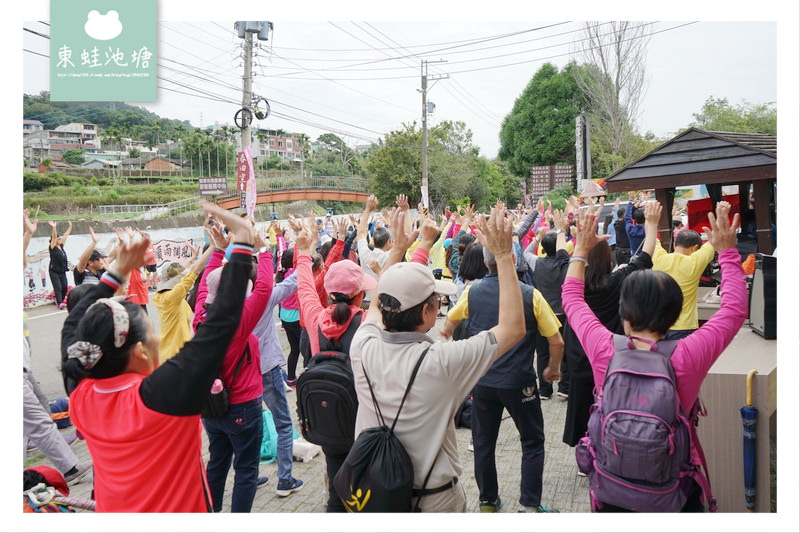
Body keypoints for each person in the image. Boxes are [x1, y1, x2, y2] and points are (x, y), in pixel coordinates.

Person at [61, 202, 258, 512]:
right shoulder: (161, 396)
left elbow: (72, 329)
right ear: (140, 350)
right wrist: (244, 238)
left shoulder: (81, 393)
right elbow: (219, 326)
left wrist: (116, 273)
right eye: (150, 330)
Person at [561, 202, 748, 512]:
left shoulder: (604, 347)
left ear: (624, 315)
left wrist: (580, 249)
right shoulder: (688, 354)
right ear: (674, 314)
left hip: (612, 491)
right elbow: (734, 311)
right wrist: (727, 251)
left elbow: (571, 297)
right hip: (671, 493)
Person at [349, 203, 527, 512]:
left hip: (376, 490)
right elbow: (512, 328)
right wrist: (502, 256)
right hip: (434, 500)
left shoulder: (362, 346)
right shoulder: (442, 360)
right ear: (427, 311)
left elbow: (377, 303)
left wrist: (400, 251)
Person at [441, 232, 564, 513]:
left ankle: (487, 500)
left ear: (486, 264)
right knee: (532, 441)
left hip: (482, 380)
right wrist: (552, 368)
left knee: (483, 442)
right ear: (514, 260)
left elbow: (448, 325)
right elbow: (556, 340)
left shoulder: (472, 292)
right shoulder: (530, 294)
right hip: (520, 382)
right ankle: (529, 505)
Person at [560, 201, 660, 449]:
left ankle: (583, 449)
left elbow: (564, 254)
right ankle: (609, 445)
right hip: (611, 357)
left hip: (578, 355)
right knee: (610, 403)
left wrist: (567, 233)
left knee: (580, 401)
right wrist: (652, 224)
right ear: (608, 257)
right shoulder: (619, 281)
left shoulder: (573, 283)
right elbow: (646, 255)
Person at [196, 223, 274, 513]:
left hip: (210, 407)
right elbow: (265, 288)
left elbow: (205, 285)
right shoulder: (237, 321)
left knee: (217, 462)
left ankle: (211, 512)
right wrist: (263, 250)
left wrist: (217, 250)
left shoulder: (200, 315)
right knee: (246, 470)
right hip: (242, 407)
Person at [24, 210, 91, 484]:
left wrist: (28, 234)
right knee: (37, 419)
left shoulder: (61, 249)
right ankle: (70, 468)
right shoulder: (55, 249)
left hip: (23, 365)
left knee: (38, 408)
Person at [251, 257, 305, 498]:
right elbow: (293, 282)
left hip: (243, 375)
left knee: (250, 427)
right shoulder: (262, 299)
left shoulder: (225, 304)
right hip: (267, 369)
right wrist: (305, 254)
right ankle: (284, 480)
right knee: (283, 424)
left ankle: (248, 476)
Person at [652, 219, 717, 340]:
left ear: (674, 245)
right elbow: (714, 240)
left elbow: (652, 238)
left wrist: (651, 221)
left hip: (658, 325)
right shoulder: (694, 262)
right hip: (684, 326)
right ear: (695, 248)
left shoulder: (658, 258)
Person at [531, 210, 571, 400]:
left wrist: (537, 238)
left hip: (542, 315)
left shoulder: (536, 262)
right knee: (565, 351)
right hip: (563, 313)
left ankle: (545, 390)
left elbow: (523, 253)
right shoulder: (566, 264)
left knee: (543, 353)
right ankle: (564, 386)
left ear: (544, 249)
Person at [153, 245, 214, 364]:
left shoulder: (160, 295)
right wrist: (212, 248)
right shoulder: (173, 297)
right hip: (176, 354)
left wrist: (193, 258)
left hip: (168, 351)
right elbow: (194, 272)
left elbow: (179, 273)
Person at [275, 249, 302, 386]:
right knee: (304, 348)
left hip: (285, 317)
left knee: (294, 349)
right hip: (295, 316)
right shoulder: (293, 274)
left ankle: (291, 378)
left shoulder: (282, 273)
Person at [48, 220, 72, 308]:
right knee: (58, 287)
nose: (60, 239)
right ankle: (59, 302)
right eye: (58, 238)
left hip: (62, 271)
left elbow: (66, 236)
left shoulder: (61, 246)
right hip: (54, 271)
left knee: (64, 287)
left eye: (59, 238)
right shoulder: (52, 247)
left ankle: (60, 301)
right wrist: (54, 227)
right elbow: (54, 238)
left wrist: (70, 227)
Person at [624, 191, 648, 258]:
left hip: (635, 257)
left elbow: (627, 217)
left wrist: (630, 201)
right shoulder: (648, 230)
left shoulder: (630, 229)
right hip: (646, 258)